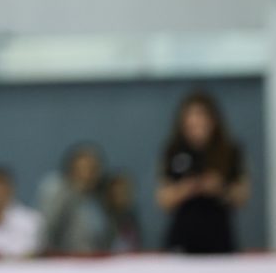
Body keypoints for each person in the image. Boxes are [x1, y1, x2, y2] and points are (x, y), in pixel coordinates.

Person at [156, 91, 250, 254]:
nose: (196, 125)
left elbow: (243, 196)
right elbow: (163, 199)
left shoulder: (229, 151)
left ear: (213, 121)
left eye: (201, 119)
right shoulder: (173, 151)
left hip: (219, 236)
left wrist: (220, 189)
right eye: (191, 121)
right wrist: (186, 189)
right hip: (183, 237)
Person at [38, 143, 111, 255]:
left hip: (94, 260)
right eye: (83, 169)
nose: (88, 175)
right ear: (71, 168)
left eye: (93, 169)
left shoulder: (99, 199)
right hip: (61, 259)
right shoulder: (56, 188)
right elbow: (46, 227)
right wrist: (73, 192)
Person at [103, 172, 142, 253]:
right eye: (117, 193)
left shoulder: (133, 218)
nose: (121, 197)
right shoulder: (104, 220)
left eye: (124, 192)